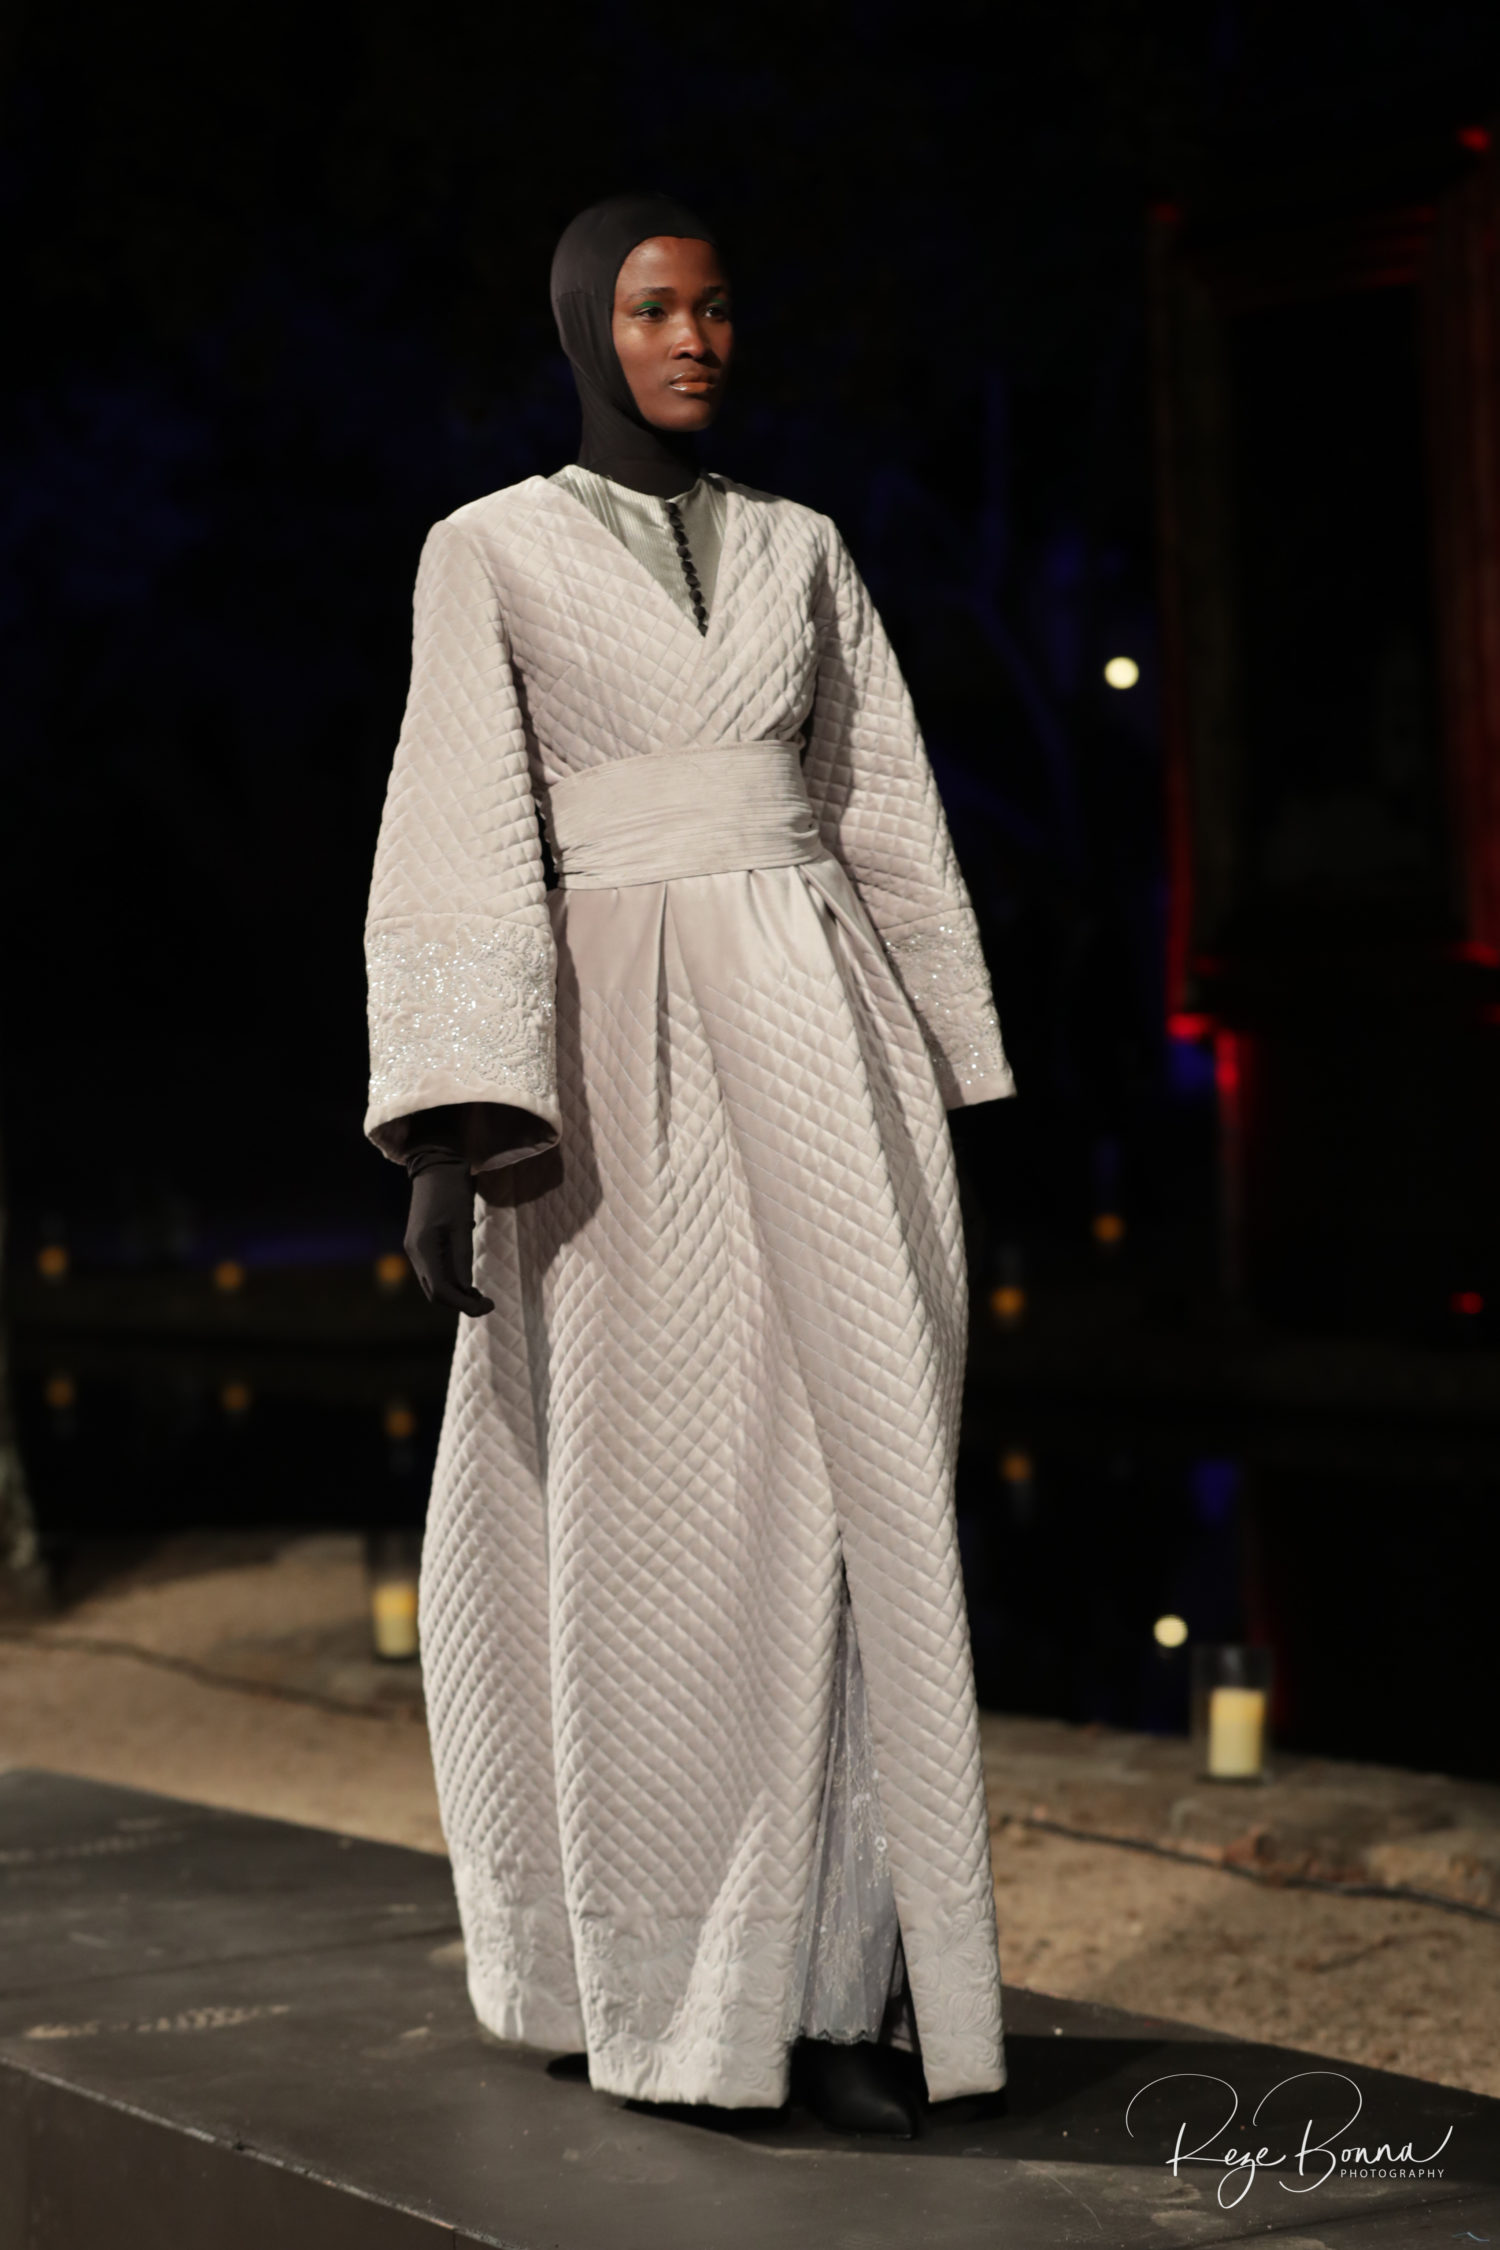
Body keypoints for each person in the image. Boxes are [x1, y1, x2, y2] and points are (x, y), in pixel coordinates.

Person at [363, 191, 1014, 2136]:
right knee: (639, 1512)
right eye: (655, 309)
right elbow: (460, 826)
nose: (694, 340)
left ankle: (854, 1990)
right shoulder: (488, 549)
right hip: (611, 1074)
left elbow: (879, 805)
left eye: (717, 309)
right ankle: (643, 1978)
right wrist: (452, 1124)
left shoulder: (805, 549)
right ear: (586, 325)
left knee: (863, 1502)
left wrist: (953, 1075)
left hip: (826, 1045)